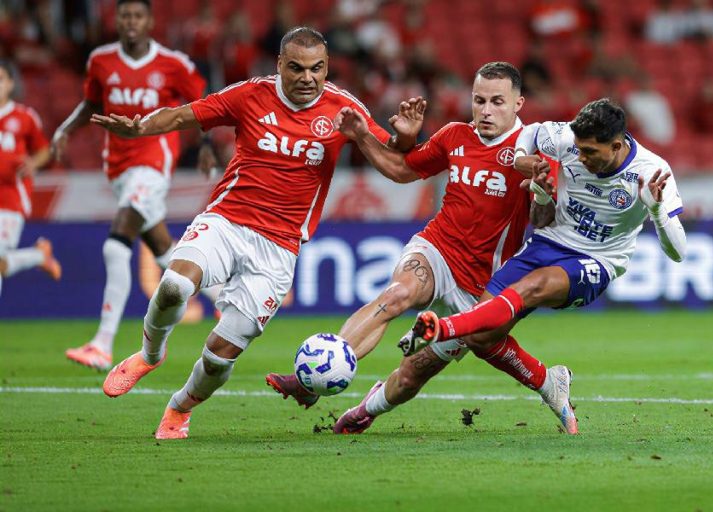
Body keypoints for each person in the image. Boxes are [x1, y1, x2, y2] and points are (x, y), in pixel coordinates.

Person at [91, 27, 424, 439]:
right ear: (280, 65)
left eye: (317, 68)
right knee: (176, 284)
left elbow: (395, 160)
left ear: (327, 68)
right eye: (297, 68)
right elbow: (184, 115)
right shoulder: (251, 94)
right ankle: (149, 354)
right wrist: (139, 129)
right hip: (227, 222)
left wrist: (407, 138)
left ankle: (179, 407)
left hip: (279, 249)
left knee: (219, 357)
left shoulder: (343, 109)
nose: (307, 77)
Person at [266, 61, 576, 435]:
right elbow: (401, 170)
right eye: (479, 100)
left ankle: (369, 408)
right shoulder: (454, 135)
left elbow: (542, 221)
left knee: (414, 375)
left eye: (497, 102)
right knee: (397, 295)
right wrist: (369, 136)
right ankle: (314, 378)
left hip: (481, 283)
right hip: (437, 249)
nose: (486, 110)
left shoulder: (534, 151)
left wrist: (543, 190)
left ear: (518, 104)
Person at [350, 98, 687, 435]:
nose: (581, 158)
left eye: (590, 153)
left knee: (533, 287)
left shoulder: (650, 172)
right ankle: (549, 382)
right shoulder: (565, 137)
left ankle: (441, 328)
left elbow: (678, 252)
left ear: (616, 145)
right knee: (481, 336)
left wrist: (656, 212)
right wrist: (527, 163)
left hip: (595, 261)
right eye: (579, 150)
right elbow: (531, 135)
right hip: (546, 244)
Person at [52, 0, 214, 371]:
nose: (131, 22)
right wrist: (65, 129)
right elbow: (91, 102)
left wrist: (205, 145)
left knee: (117, 241)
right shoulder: (101, 61)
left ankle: (102, 343)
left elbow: (202, 104)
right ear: (117, 20)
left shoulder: (173, 64)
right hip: (119, 167)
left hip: (154, 161)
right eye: (125, 15)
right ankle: (225, 298)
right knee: (162, 249)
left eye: (138, 16)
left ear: (150, 21)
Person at [0, 59, 60, 297]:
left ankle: (38, 255)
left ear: (11, 83)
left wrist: (32, 163)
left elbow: (45, 149)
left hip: (10, 198)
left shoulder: (24, 117)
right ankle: (38, 255)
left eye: (0, 79)